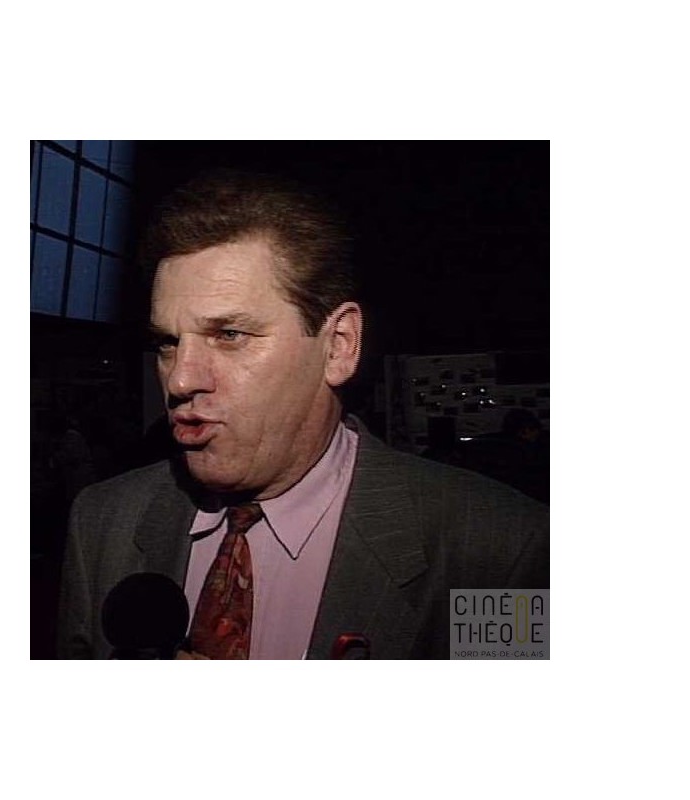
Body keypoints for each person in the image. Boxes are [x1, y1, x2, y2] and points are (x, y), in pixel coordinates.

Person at [57, 170, 548, 659]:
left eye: (229, 335)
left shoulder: (502, 549)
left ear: (338, 346)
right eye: (168, 342)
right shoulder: (102, 523)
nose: (181, 380)